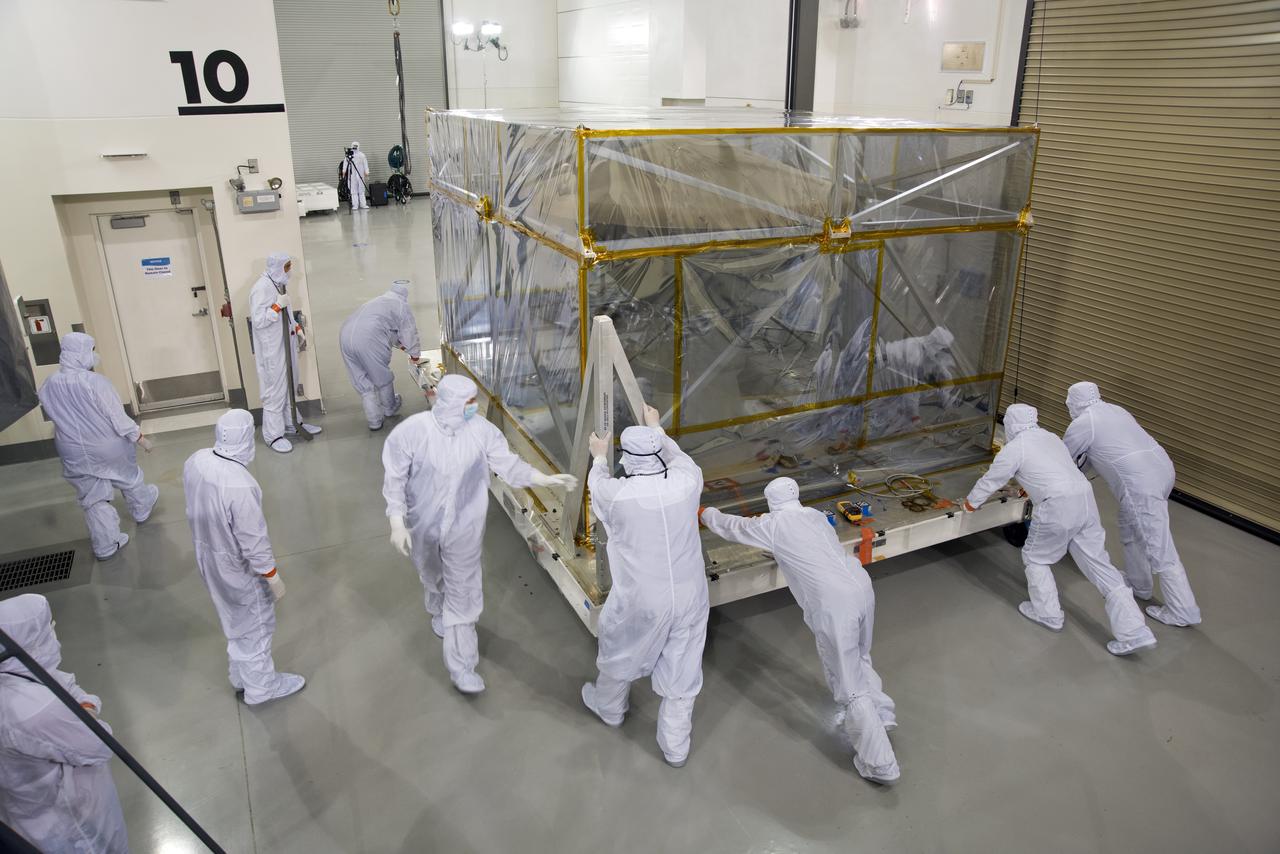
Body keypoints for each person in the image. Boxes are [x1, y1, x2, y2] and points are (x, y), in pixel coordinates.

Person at [382, 374, 577, 694]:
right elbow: (395, 478)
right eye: (469, 402)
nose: (474, 406)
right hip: (423, 524)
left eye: (474, 400)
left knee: (463, 594)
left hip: (465, 526)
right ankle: (437, 607)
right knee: (431, 574)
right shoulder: (412, 433)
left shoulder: (482, 431)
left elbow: (509, 466)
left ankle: (462, 667)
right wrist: (396, 520)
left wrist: (544, 479)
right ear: (450, 403)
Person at [701, 477, 900, 784]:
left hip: (835, 603)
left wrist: (703, 512)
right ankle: (882, 716)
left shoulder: (773, 525)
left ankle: (880, 764)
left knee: (849, 684)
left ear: (770, 502)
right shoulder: (815, 516)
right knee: (860, 657)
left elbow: (732, 527)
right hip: (861, 587)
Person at [964, 403, 1157, 656]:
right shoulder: (1051, 437)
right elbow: (1052, 470)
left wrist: (970, 504)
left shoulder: (1015, 448)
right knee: (1100, 565)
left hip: (1057, 505)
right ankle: (1135, 631)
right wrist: (1023, 489)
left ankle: (1048, 614)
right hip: (1084, 500)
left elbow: (991, 480)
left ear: (1010, 424)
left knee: (1036, 558)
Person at [580, 407, 708, 768]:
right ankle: (675, 748)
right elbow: (679, 458)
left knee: (621, 649)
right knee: (683, 668)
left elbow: (597, 485)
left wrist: (599, 456)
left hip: (643, 598)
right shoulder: (686, 481)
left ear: (627, 458)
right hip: (690, 594)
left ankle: (609, 708)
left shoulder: (619, 495)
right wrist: (657, 429)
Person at [183, 409, 305, 704]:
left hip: (206, 554)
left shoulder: (197, 460)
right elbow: (253, 540)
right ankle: (261, 689)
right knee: (256, 624)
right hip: (236, 566)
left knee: (234, 618)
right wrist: (272, 576)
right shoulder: (240, 484)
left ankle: (241, 676)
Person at [1063, 382, 1202, 627]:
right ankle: (1140, 585)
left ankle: (1183, 611)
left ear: (1073, 401)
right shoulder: (1115, 409)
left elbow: (1065, 458)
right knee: (1131, 530)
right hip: (1162, 470)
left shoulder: (1084, 423)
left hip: (1141, 485)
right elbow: (1099, 452)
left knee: (1159, 546)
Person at [0, 594, 129, 852]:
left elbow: (66, 683)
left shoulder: (16, 674)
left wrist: (85, 706)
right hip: (72, 825)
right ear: (31, 640)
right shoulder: (35, 709)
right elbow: (99, 744)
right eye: (48, 628)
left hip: (30, 817)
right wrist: (87, 708)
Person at [37, 332, 159, 560]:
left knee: (92, 497)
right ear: (82, 352)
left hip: (71, 448)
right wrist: (140, 438)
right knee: (129, 478)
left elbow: (53, 413)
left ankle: (105, 545)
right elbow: (118, 418)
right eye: (91, 350)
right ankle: (141, 509)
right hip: (107, 446)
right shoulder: (95, 382)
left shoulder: (49, 383)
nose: (94, 355)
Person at [249, 252, 321, 453]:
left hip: (285, 343)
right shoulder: (261, 288)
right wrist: (276, 306)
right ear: (277, 267)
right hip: (272, 350)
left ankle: (292, 423)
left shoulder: (278, 283)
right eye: (287, 267)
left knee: (290, 384)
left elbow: (286, 311)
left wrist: (296, 328)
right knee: (275, 392)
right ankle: (273, 436)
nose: (290, 271)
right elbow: (258, 320)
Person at [339, 281, 421, 430]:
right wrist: (414, 354)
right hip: (368, 338)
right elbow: (409, 332)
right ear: (405, 295)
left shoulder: (379, 301)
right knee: (382, 377)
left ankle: (374, 421)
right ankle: (389, 408)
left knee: (362, 381)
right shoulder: (401, 305)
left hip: (345, 335)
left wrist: (401, 346)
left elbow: (388, 329)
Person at [342, 141, 370, 211]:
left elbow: (365, 164)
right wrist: (344, 171)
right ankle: (355, 205)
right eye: (353, 146)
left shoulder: (362, 155)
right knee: (353, 190)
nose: (355, 148)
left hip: (360, 174)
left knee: (361, 190)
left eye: (356, 146)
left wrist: (367, 172)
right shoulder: (348, 156)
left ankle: (363, 204)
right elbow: (345, 164)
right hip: (352, 175)